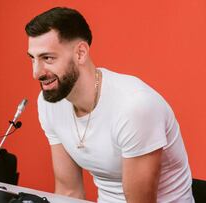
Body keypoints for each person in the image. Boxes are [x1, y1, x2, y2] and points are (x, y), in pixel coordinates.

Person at [25, 7, 194, 203]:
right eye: (33, 59)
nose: (36, 73)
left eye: (47, 58)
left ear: (80, 53)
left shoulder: (134, 107)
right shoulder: (50, 102)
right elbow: (68, 192)